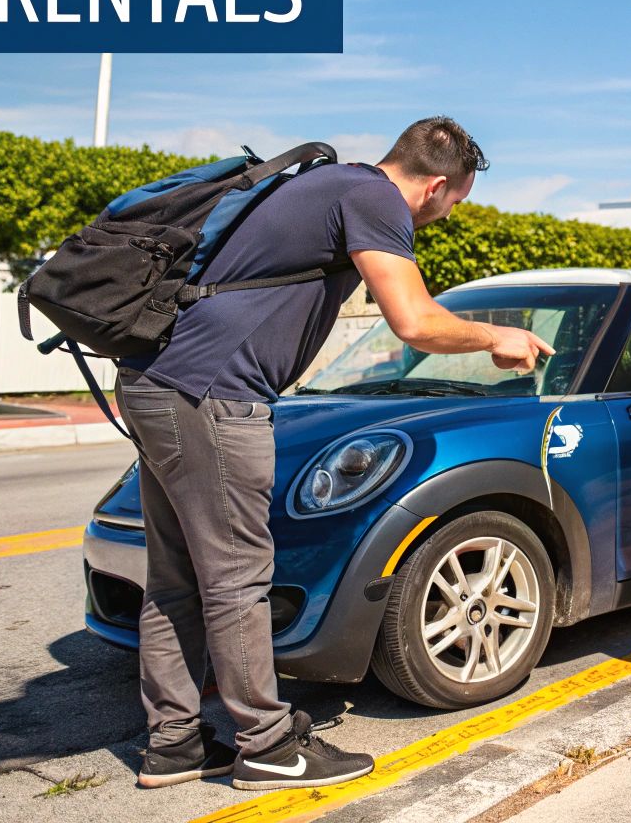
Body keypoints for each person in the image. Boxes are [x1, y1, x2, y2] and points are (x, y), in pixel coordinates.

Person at [114, 117, 554, 791]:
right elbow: (415, 321)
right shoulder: (374, 200)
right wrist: (496, 337)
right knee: (236, 577)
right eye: (455, 203)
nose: (445, 214)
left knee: (179, 578)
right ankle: (264, 745)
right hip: (213, 394)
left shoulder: (326, 186)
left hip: (158, 384)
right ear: (436, 186)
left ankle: (173, 744)